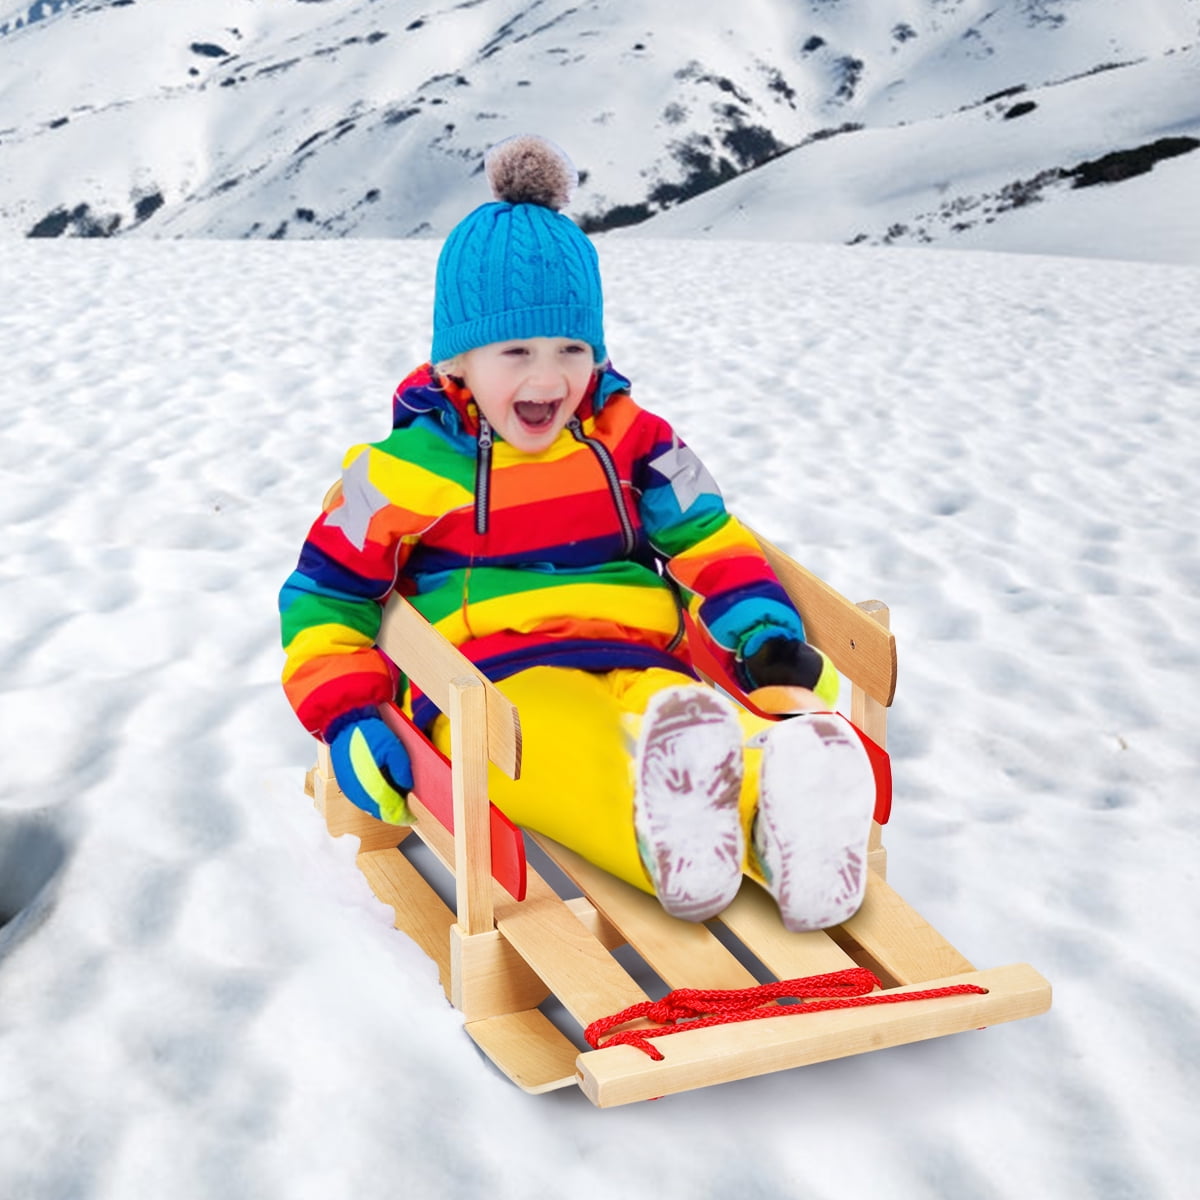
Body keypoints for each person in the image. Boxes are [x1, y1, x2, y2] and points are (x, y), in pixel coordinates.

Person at [279, 135, 876, 932]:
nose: (548, 378)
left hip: (638, 652)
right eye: (516, 350)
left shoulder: (634, 438)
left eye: (572, 349)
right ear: (457, 361)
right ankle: (658, 841)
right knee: (561, 751)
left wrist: (762, 629)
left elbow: (706, 536)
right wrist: (351, 713)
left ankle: (790, 823)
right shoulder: (399, 471)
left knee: (695, 723)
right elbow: (325, 596)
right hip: (498, 680)